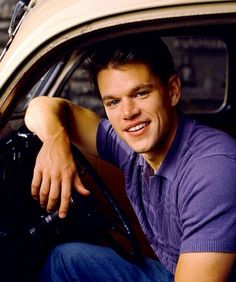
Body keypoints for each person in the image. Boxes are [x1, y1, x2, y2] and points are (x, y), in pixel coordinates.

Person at [24, 33, 236, 281]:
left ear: (173, 91)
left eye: (140, 94)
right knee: (66, 260)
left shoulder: (213, 170)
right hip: (174, 271)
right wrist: (55, 140)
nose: (127, 113)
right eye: (113, 102)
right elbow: (40, 106)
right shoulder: (129, 146)